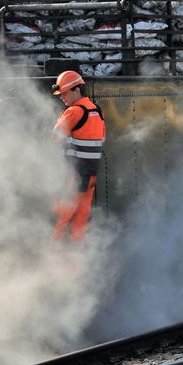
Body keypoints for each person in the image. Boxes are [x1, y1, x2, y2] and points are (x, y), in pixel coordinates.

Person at [50, 70, 106, 242]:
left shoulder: (73, 112)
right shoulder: (96, 111)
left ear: (76, 89)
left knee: (61, 216)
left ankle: (52, 254)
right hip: (89, 174)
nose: (62, 97)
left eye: (64, 93)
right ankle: (76, 258)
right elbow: (102, 137)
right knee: (81, 218)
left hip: (73, 175)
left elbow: (55, 138)